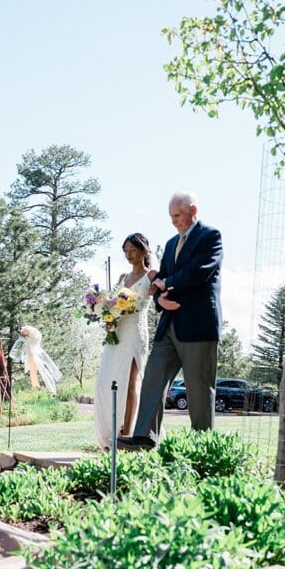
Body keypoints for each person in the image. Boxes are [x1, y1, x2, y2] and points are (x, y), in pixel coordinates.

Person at [118, 191, 222, 450]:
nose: (174, 221)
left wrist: (168, 284)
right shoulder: (172, 242)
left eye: (177, 215)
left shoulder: (210, 236)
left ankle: (203, 446)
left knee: (198, 390)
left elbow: (200, 272)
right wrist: (159, 299)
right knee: (153, 376)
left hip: (198, 326)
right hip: (169, 326)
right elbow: (160, 280)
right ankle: (144, 438)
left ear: (193, 210)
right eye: (171, 217)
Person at [93, 232, 159, 450]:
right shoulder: (122, 277)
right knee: (105, 382)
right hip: (117, 333)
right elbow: (113, 304)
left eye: (133, 250)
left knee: (131, 384)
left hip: (135, 334)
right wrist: (107, 316)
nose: (129, 255)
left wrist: (157, 291)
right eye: (126, 251)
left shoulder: (151, 276)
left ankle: (128, 435)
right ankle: (111, 431)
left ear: (143, 250)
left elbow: (162, 293)